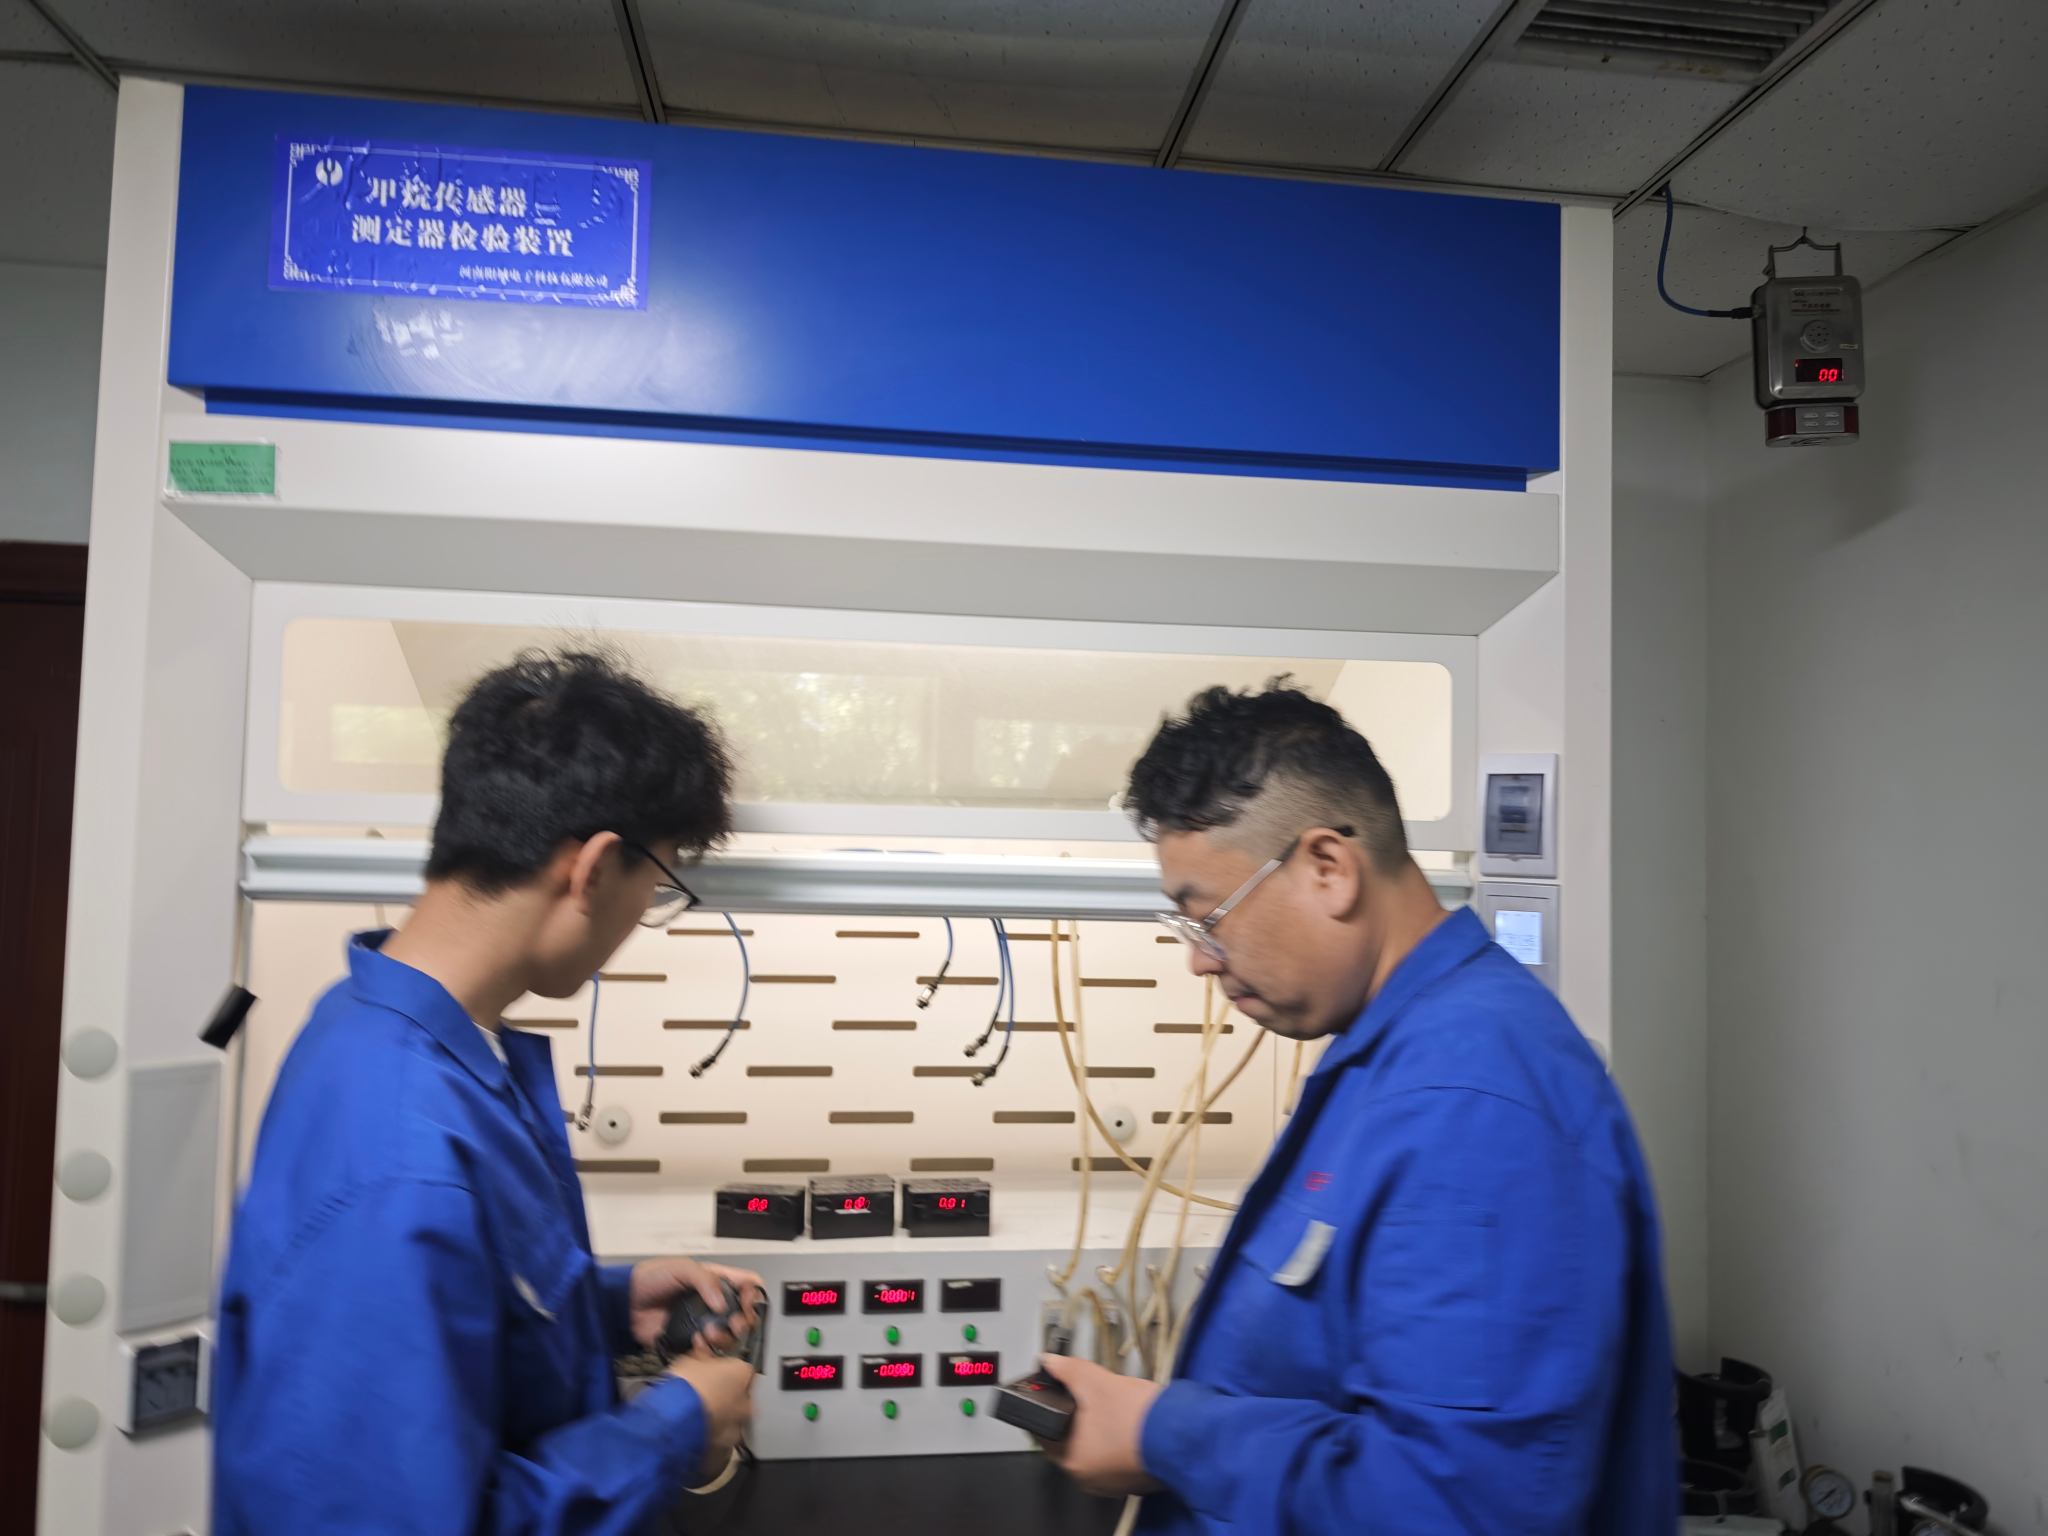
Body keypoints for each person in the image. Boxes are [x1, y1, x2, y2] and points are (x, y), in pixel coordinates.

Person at [1039, 681, 1676, 1533]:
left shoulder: (1472, 1109)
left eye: (1208, 918)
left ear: (1328, 869)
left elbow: (1455, 1508)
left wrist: (1166, 1435)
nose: (1201, 960)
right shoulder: (1396, 1052)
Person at [215, 650, 760, 1536]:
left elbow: (440, 1324)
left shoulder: (393, 1032)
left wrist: (605, 1306)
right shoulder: (404, 1157)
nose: (641, 922)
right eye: (656, 888)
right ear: (592, 870)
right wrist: (676, 1426)